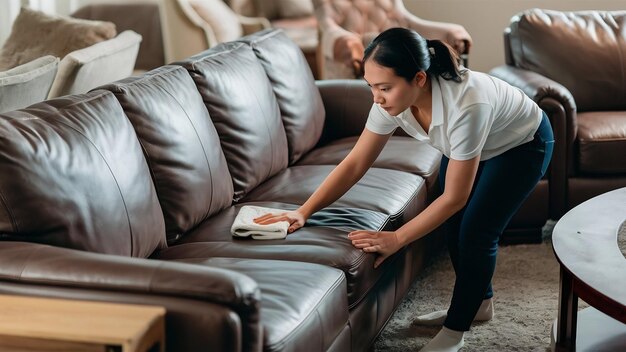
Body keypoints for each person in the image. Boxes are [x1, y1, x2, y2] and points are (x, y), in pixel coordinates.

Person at [254, 27, 554, 352]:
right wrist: (303, 210)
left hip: (524, 143)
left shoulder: (466, 105)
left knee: (477, 232)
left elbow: (456, 197)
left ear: (419, 79)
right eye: (371, 86)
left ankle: (455, 331)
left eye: (385, 87)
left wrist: (397, 238)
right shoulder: (388, 104)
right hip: (475, 144)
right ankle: (480, 304)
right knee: (454, 225)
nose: (376, 97)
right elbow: (355, 163)